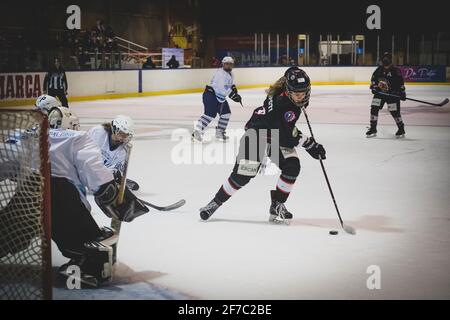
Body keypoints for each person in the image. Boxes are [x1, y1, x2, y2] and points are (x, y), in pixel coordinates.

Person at [35, 98, 148, 286]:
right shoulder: (79, 137)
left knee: (12, 231)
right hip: (61, 193)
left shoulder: (30, 134)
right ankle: (87, 263)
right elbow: (92, 170)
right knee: (76, 224)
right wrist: (109, 191)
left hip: (28, 195)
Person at [198, 67, 326, 224]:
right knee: (243, 175)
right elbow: (287, 136)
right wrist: (310, 144)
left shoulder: (286, 96)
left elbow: (286, 128)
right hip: (258, 133)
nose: (301, 97)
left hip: (275, 134)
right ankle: (214, 203)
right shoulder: (283, 105)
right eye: (297, 94)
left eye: (304, 93)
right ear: (287, 90)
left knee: (292, 166)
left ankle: (277, 204)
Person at [191, 56, 242, 142]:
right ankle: (197, 132)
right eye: (227, 64)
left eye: (230, 64)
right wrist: (232, 95)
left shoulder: (230, 73)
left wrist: (233, 88)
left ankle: (220, 132)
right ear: (223, 64)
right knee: (210, 114)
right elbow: (222, 89)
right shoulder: (220, 74)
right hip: (211, 95)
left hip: (219, 97)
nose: (228, 66)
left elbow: (229, 85)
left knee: (226, 113)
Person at [86, 115, 140, 191]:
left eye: (126, 135)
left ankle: (118, 181)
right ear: (114, 129)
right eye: (122, 134)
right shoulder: (97, 132)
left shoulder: (124, 150)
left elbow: (113, 170)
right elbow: (82, 151)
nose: (124, 138)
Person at [366, 52, 406, 138]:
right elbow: (373, 80)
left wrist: (402, 92)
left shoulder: (396, 71)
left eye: (387, 58)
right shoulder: (379, 70)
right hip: (380, 94)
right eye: (384, 58)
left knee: (395, 112)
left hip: (392, 95)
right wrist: (374, 87)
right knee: (374, 108)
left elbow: (401, 83)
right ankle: (373, 128)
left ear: (391, 60)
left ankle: (401, 128)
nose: (385, 60)